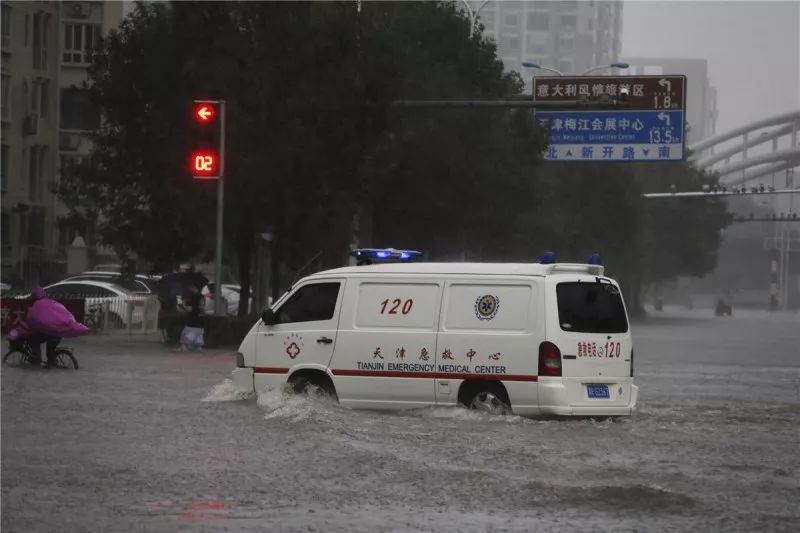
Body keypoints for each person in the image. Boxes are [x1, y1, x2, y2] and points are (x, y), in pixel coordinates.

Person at [8, 287, 89, 367]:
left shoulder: (37, 305)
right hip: (57, 334)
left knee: (33, 340)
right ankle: (51, 362)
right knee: (50, 351)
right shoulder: (52, 302)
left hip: (49, 334)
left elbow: (31, 321)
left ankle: (37, 358)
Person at [179, 285, 205, 351]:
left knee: (187, 332)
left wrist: (184, 304)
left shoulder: (192, 297)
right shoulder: (201, 296)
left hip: (192, 317)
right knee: (198, 333)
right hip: (199, 317)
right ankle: (198, 346)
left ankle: (184, 346)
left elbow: (189, 309)